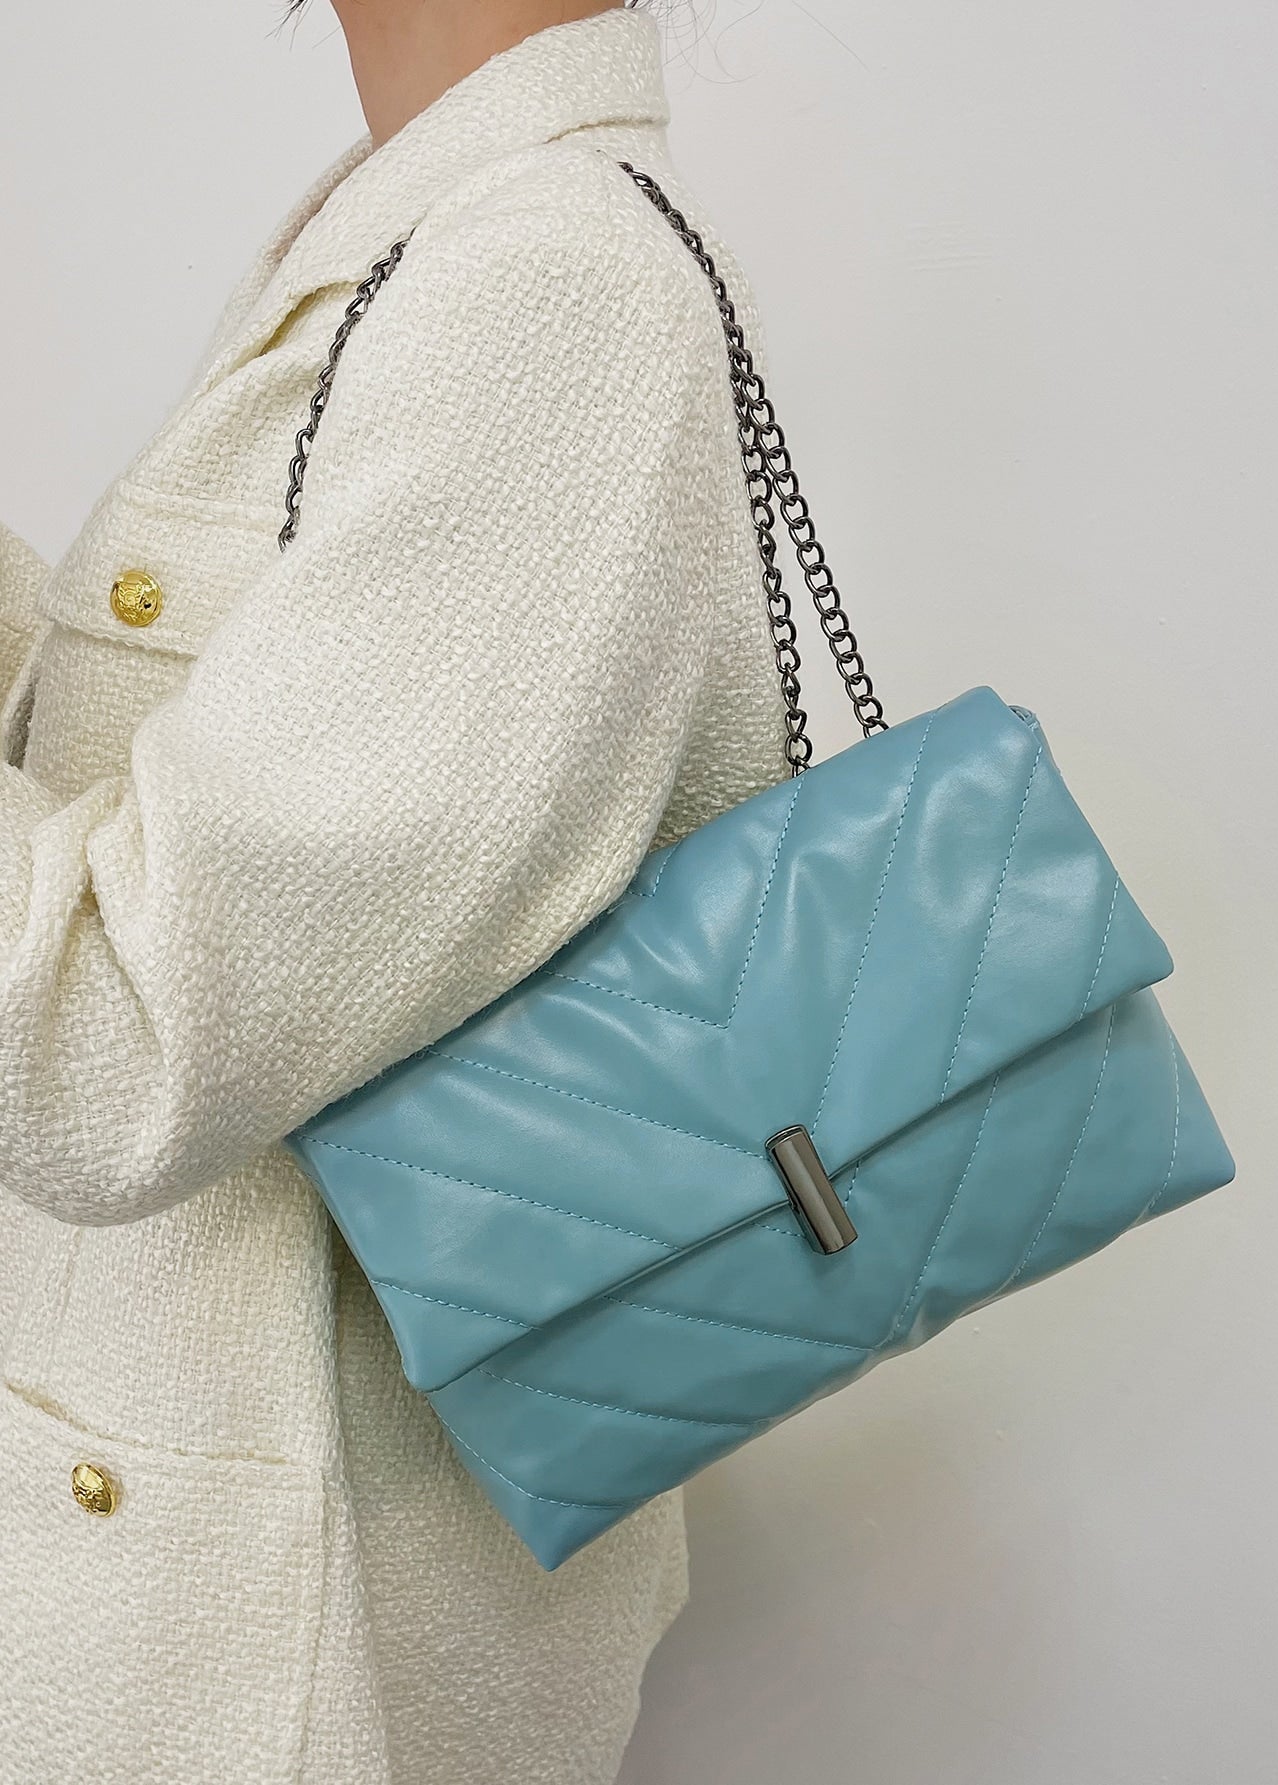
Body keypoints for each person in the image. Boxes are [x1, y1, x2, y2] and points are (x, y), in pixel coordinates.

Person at [0, 1, 790, 1779]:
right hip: (188, 1572)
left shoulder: (551, 285)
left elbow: (118, 1049)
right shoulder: (429, 227)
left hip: (254, 1662)